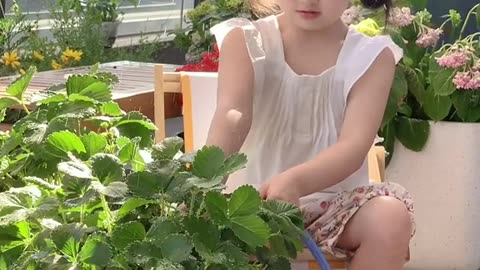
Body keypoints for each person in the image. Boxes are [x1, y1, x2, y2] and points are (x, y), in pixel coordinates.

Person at [206, 0, 415, 269]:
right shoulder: (247, 41)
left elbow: (354, 146)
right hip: (251, 203)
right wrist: (204, 183)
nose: (309, 1)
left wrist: (295, 181)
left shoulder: (370, 55)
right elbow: (232, 113)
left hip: (331, 208)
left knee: (390, 218)